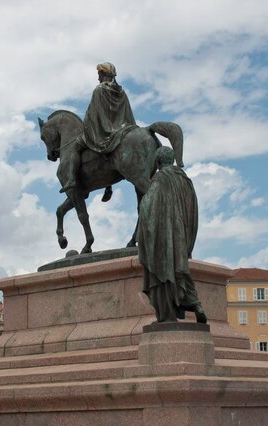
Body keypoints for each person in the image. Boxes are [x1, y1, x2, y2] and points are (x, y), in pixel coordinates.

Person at [137, 146, 206, 323]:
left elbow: (148, 206)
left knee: (164, 274)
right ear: (172, 160)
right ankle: (196, 304)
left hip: (165, 235)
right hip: (182, 235)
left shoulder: (160, 178)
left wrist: (143, 204)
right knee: (180, 270)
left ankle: (167, 316)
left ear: (158, 162)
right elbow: (193, 210)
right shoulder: (185, 180)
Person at [59, 62, 136, 194]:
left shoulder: (99, 90)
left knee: (76, 147)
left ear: (103, 74)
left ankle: (71, 179)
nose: (98, 78)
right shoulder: (121, 91)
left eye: (99, 74)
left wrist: (87, 126)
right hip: (122, 128)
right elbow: (127, 112)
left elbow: (93, 114)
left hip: (104, 131)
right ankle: (108, 185)